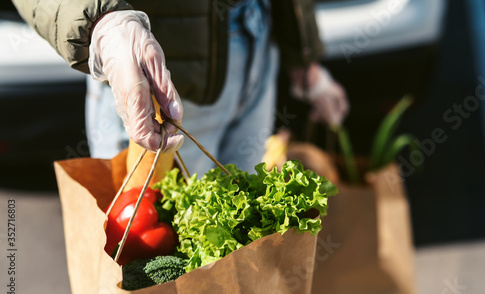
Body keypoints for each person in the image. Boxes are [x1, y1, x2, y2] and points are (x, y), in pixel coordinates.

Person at [13, 0, 349, 175]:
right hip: (157, 71)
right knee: (158, 281)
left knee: (239, 263)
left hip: (259, 44)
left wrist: (303, 54)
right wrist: (101, 21)